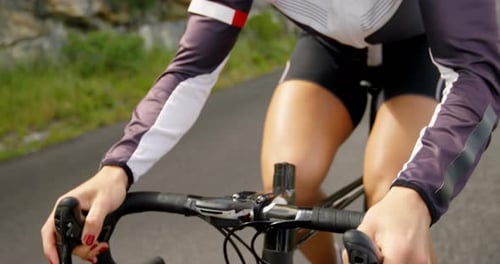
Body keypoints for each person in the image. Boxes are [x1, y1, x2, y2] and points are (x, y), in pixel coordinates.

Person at [41, 0, 499, 263]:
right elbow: (192, 67)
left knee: (388, 196)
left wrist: (416, 194)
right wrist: (116, 170)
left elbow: (477, 72)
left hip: (423, 51)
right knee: (286, 188)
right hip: (328, 50)